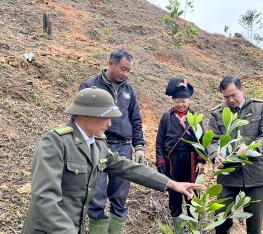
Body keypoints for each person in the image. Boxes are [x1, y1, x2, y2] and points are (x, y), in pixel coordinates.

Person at [22, 87, 203, 234]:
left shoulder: (97, 143)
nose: (110, 124)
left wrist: (171, 183)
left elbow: (127, 167)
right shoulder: (55, 142)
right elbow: (45, 199)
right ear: (85, 115)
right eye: (106, 117)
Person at [79, 48, 145, 233]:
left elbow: (135, 119)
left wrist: (138, 146)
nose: (125, 74)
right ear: (110, 63)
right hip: (98, 144)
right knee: (96, 194)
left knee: (120, 195)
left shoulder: (129, 90)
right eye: (123, 69)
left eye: (128, 71)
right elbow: (81, 117)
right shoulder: (90, 86)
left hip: (123, 147)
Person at [207, 76, 263, 234]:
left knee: (254, 224)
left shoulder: (259, 107)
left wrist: (252, 147)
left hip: (255, 174)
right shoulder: (217, 113)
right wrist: (215, 155)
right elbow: (212, 140)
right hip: (228, 175)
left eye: (234, 95)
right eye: (226, 97)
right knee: (221, 220)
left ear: (241, 90)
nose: (231, 100)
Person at [155, 78, 205, 232]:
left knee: (192, 197)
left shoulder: (195, 117)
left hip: (190, 162)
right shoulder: (166, 117)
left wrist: (201, 160)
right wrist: (160, 160)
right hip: (173, 161)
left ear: (188, 100)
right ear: (172, 101)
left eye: (183, 100)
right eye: (177, 101)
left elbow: (202, 139)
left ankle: (192, 229)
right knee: (174, 197)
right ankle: (177, 229)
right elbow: (159, 141)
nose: (180, 104)